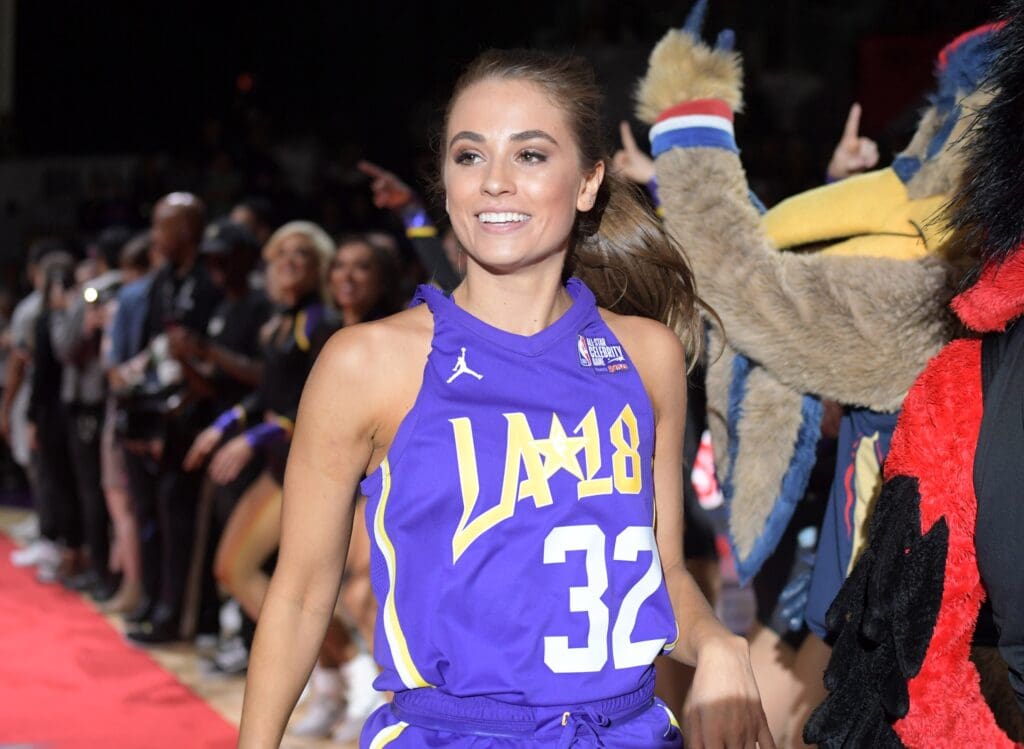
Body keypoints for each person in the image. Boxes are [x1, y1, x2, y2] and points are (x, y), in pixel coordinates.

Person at [238, 49, 773, 749]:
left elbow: (663, 573)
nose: (494, 181)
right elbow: (304, 593)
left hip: (629, 731)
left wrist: (721, 645)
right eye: (468, 156)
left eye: (529, 155)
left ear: (587, 182)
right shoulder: (367, 363)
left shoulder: (647, 356)